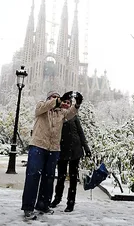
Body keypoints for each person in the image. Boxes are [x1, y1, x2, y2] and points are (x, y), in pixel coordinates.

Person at [21, 90, 83, 220]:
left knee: (48, 178)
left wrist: (77, 104)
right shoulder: (41, 106)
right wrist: (57, 101)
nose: (57, 99)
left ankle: (43, 205)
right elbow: (42, 108)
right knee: (33, 176)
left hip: (53, 149)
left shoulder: (61, 113)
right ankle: (28, 207)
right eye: (54, 97)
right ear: (49, 98)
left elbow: (71, 113)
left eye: (58, 97)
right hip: (38, 145)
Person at [50, 98, 91, 212]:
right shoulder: (57, 116)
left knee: (73, 178)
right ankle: (57, 199)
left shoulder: (74, 116)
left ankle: (70, 203)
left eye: (69, 103)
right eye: (65, 102)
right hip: (62, 150)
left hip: (75, 150)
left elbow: (80, 133)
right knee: (61, 177)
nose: (66, 104)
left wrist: (86, 148)